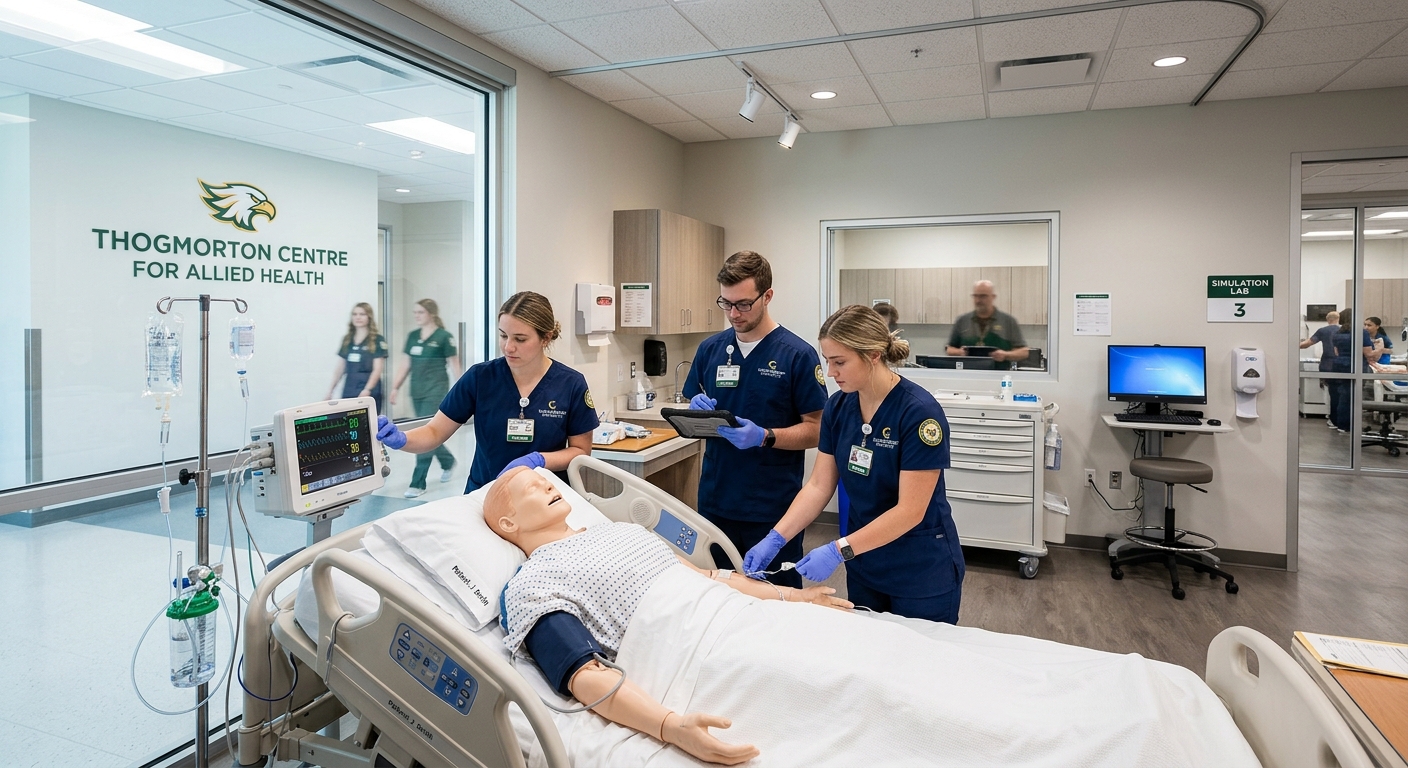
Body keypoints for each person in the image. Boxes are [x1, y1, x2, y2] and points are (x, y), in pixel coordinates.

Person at [487, 466, 849, 766]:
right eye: (532, 488)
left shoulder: (621, 531)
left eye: (544, 478)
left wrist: (793, 596)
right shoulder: (533, 584)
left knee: (841, 662)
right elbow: (585, 675)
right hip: (699, 651)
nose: (548, 482)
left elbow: (708, 577)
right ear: (507, 524)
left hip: (739, 616)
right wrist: (669, 726)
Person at [747, 304, 964, 623]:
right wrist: (777, 537)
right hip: (864, 561)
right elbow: (819, 485)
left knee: (918, 664)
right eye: (828, 361)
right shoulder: (838, 407)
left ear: (874, 355)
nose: (831, 372)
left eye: (840, 362)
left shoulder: (919, 414)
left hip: (919, 569)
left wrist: (837, 550)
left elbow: (910, 510)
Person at [683, 251, 828, 589]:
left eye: (744, 304)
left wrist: (765, 436)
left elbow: (819, 429)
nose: (734, 313)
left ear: (767, 296)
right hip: (716, 499)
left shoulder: (797, 354)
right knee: (717, 595)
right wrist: (694, 408)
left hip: (772, 508)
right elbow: (692, 405)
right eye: (726, 303)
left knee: (775, 603)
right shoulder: (710, 349)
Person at [376, 291, 598, 493]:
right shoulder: (480, 378)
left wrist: (539, 460)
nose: (508, 347)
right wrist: (401, 439)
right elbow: (434, 432)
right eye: (503, 336)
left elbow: (580, 451)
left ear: (546, 338)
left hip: (543, 498)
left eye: (520, 339)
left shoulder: (570, 384)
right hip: (484, 493)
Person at [389, 299, 461, 498]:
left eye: (420, 312)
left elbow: (455, 365)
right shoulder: (413, 336)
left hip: (436, 391)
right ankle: (447, 461)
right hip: (417, 391)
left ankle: (417, 482)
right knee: (429, 433)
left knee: (424, 430)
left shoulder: (444, 337)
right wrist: (395, 387)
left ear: (431, 313)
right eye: (415, 312)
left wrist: (462, 390)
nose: (416, 315)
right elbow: (405, 365)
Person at [945, 279, 1029, 369]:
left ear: (993, 297)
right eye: (975, 296)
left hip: (998, 375)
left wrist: (1005, 355)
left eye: (983, 296)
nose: (978, 300)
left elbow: (1023, 352)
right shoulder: (962, 320)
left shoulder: (1008, 321)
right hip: (969, 375)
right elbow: (949, 349)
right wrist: (959, 352)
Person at [327, 302, 387, 414]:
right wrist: (331, 390)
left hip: (369, 391)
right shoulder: (347, 339)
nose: (358, 317)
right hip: (350, 389)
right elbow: (340, 369)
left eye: (362, 314)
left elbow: (377, 370)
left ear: (369, 317)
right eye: (355, 314)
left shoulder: (377, 340)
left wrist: (367, 389)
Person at [1328, 308, 1375, 433]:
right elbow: (1369, 354)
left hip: (1339, 365)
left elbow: (1336, 352)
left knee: (1342, 395)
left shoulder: (1337, 333)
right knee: (1352, 396)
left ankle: (1340, 423)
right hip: (1355, 366)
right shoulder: (1361, 333)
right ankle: (1347, 425)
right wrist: (1380, 348)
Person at [1300, 310, 1340, 427]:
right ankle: (1340, 420)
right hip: (1343, 365)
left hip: (1327, 364)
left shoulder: (1323, 331)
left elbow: (1307, 344)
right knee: (1341, 392)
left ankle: (1331, 418)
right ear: (1339, 319)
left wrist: (1293, 345)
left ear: (1328, 320)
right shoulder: (1344, 330)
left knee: (1329, 392)